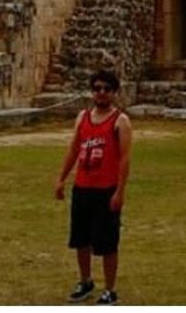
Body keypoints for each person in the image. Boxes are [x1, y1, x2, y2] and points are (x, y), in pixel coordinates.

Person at [55, 69, 132, 305]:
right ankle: (85, 280)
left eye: (106, 89)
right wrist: (61, 178)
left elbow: (124, 159)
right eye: (97, 88)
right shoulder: (83, 117)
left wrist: (120, 191)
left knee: (108, 242)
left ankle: (110, 289)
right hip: (83, 187)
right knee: (81, 239)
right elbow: (74, 149)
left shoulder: (120, 121)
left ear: (113, 92)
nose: (101, 93)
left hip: (106, 190)